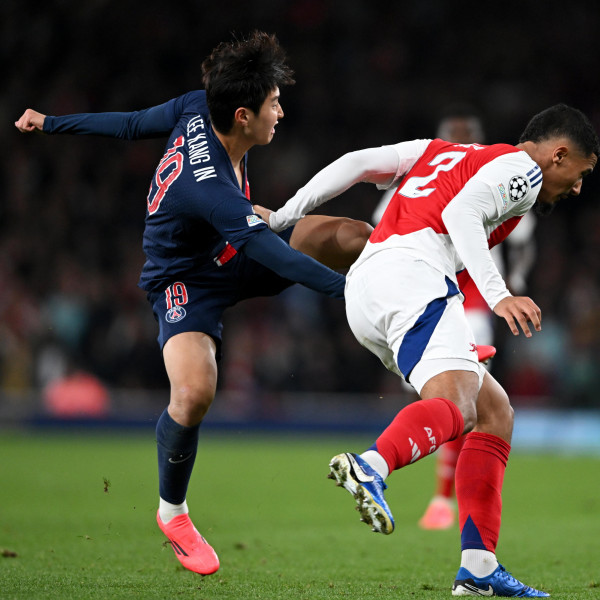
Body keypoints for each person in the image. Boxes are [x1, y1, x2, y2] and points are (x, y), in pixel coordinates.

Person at [15, 31, 372, 576]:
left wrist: (52, 122)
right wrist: (346, 291)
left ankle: (417, 318)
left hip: (230, 243)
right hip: (184, 278)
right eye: (273, 102)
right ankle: (173, 513)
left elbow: (132, 124)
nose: (281, 110)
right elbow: (272, 255)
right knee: (195, 392)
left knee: (352, 235)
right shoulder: (211, 191)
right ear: (243, 115)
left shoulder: (196, 106)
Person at [266, 103, 600, 596]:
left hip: (369, 285)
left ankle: (479, 568)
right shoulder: (523, 171)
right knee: (460, 408)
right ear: (559, 154)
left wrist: (284, 215)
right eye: (580, 174)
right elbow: (459, 213)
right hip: (413, 278)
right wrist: (499, 294)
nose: (577, 187)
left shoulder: (439, 151)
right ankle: (371, 466)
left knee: (494, 411)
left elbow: (356, 163)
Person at [373, 107, 538, 531]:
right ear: (444, 136)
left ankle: (441, 498)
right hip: (420, 296)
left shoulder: (504, 176)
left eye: (470, 133)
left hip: (475, 304)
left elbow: (521, 240)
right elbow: (380, 229)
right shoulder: (422, 178)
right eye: (456, 133)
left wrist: (511, 280)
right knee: (447, 400)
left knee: (470, 399)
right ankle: (381, 465)